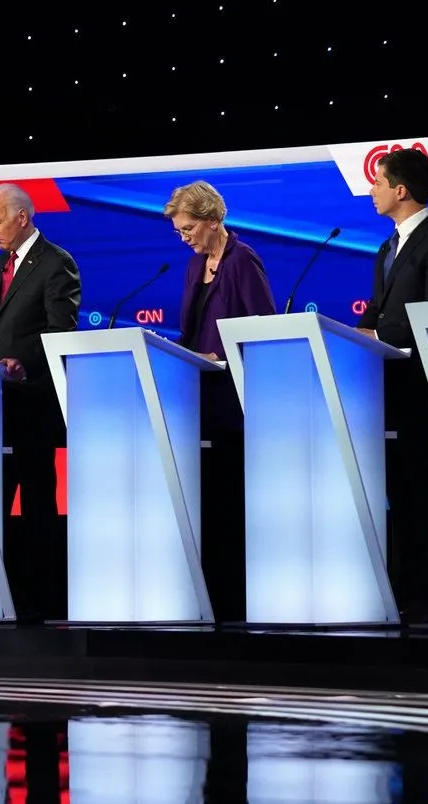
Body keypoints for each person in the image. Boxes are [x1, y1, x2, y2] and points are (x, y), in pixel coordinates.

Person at [355, 147, 428, 622]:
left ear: (400, 190)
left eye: (378, 182)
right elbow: (377, 309)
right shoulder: (388, 246)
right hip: (385, 387)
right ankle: (403, 591)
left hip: (423, 391)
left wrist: (379, 335)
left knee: (420, 490)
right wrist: (355, 334)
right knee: (397, 493)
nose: (372, 190)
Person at [0, 183, 80, 622]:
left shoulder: (56, 263)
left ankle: (43, 605)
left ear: (22, 217)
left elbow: (61, 332)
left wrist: (22, 362)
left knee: (36, 501)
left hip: (32, 403)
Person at [165, 181, 277, 623]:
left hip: (235, 402)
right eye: (179, 231)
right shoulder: (195, 266)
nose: (184, 237)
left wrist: (223, 355)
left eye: (189, 228)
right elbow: (190, 332)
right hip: (200, 400)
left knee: (231, 501)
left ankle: (236, 604)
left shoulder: (242, 260)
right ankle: (209, 600)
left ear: (213, 220)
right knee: (206, 501)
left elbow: (265, 329)